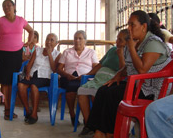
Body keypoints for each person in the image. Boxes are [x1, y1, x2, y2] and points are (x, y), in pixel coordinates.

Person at [79, 10, 171, 138]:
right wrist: (118, 74)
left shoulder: (153, 43)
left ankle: (110, 133)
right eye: (128, 25)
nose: (129, 28)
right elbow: (128, 65)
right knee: (103, 90)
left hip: (150, 89)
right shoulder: (135, 41)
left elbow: (142, 69)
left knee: (112, 95)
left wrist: (132, 48)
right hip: (137, 84)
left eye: (132, 25)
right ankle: (99, 132)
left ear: (144, 27)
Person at [0, 0, 34, 120]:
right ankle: (7, 110)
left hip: (16, 55)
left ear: (14, 6)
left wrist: (28, 42)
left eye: (9, 5)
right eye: (4, 6)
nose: (7, 8)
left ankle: (12, 109)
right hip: (2, 55)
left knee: (13, 82)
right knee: (5, 83)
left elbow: (31, 31)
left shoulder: (21, 20)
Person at [77, 29, 128, 129]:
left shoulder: (129, 53)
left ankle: (98, 126)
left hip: (110, 80)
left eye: (120, 40)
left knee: (97, 95)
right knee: (81, 92)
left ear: (127, 42)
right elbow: (100, 65)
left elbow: (124, 72)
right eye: (117, 39)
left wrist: (121, 55)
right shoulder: (112, 50)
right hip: (97, 79)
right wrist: (87, 74)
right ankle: (88, 125)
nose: (117, 42)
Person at [57, 30, 99, 126]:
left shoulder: (91, 52)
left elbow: (96, 68)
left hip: (84, 78)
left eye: (80, 38)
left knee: (88, 90)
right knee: (70, 88)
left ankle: (87, 118)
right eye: (75, 38)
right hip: (68, 78)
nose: (77, 40)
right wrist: (67, 75)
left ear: (85, 41)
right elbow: (59, 69)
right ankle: (72, 114)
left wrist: (86, 75)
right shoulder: (67, 52)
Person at [18, 33, 61, 124]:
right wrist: (28, 73)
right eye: (47, 39)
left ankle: (34, 114)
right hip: (34, 75)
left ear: (56, 43)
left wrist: (50, 55)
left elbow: (54, 69)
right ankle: (28, 111)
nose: (48, 42)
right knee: (21, 85)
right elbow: (30, 64)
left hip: (46, 77)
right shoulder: (37, 51)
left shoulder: (57, 54)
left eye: (51, 40)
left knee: (34, 86)